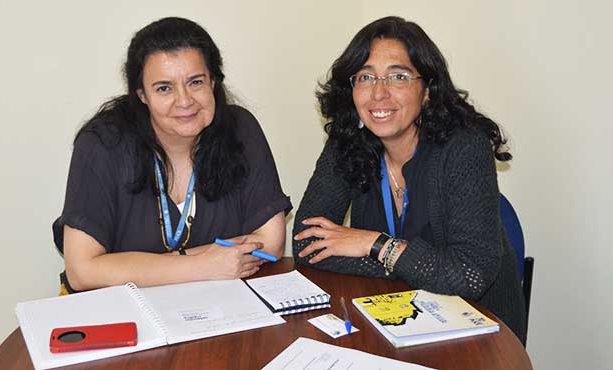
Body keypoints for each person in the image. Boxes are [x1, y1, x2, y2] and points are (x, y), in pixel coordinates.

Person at [293, 16, 526, 342]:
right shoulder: (347, 142)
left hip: (476, 327)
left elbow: (469, 276)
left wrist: (374, 245)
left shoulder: (464, 148)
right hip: (391, 318)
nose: (378, 94)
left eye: (398, 77)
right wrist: (410, 264)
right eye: (365, 77)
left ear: (427, 90)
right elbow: (306, 243)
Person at [53, 17, 291, 294]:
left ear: (213, 81)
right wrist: (204, 266)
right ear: (142, 94)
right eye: (164, 88)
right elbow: (82, 272)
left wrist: (135, 267)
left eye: (195, 82)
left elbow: (270, 243)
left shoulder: (240, 129)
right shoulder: (103, 144)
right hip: (121, 311)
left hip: (218, 305)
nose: (185, 101)